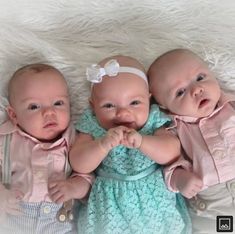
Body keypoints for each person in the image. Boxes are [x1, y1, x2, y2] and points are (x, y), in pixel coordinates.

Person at [69, 55, 191, 234]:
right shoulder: (92, 125)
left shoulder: (152, 121)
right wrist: (102, 145)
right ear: (93, 106)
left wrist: (143, 142)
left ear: (149, 100)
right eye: (109, 105)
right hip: (108, 204)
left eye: (134, 102)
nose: (123, 112)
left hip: (153, 200)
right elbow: (79, 163)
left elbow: (171, 152)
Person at [148, 48, 235, 233]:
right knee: (219, 229)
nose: (197, 89)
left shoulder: (231, 105)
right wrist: (180, 179)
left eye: (200, 77)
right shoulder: (172, 130)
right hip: (214, 202)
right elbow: (171, 165)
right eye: (180, 92)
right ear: (164, 106)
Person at [0, 63, 92, 234]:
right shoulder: (5, 138)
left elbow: (88, 177)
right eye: (34, 106)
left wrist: (73, 187)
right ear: (13, 115)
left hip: (61, 220)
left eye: (58, 103)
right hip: (14, 217)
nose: (49, 112)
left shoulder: (76, 139)